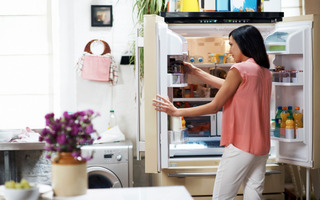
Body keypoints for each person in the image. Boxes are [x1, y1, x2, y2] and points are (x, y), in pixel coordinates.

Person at [152, 25, 272, 200]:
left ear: (243, 44)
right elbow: (228, 87)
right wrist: (197, 72)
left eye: (231, 45)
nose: (229, 50)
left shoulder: (239, 69)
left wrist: (177, 112)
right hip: (262, 146)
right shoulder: (263, 71)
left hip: (242, 144)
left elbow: (215, 106)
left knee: (222, 197)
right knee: (253, 193)